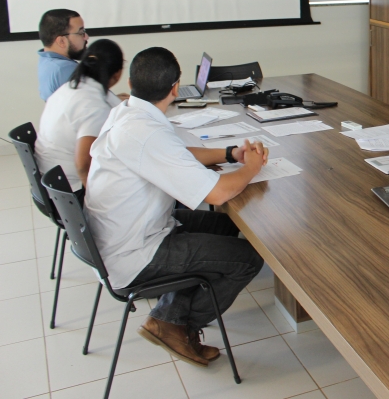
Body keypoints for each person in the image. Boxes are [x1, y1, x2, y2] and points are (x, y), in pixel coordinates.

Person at [85, 47, 267, 367]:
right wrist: (252, 167)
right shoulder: (146, 132)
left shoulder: (127, 112)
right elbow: (217, 195)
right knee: (248, 259)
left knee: (228, 226)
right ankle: (174, 326)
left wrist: (230, 154)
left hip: (123, 235)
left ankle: (173, 311)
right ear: (175, 88)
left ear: (132, 82)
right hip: (135, 254)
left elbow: (177, 153)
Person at [35, 39, 123, 190]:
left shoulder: (71, 87)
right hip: (69, 187)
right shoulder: (94, 105)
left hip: (50, 177)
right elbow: (83, 165)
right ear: (117, 73)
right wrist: (94, 197)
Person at [37, 9, 89, 101]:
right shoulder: (65, 69)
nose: (86, 37)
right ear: (61, 41)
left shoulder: (46, 61)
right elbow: (94, 106)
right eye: (81, 32)